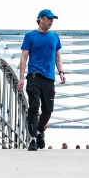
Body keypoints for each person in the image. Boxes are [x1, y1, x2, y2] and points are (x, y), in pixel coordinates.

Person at [18, 9, 66, 151]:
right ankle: (32, 139)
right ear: (40, 19)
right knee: (33, 107)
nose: (51, 21)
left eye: (53, 19)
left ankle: (39, 132)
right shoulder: (30, 36)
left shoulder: (55, 37)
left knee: (48, 110)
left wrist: (61, 72)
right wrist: (21, 78)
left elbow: (58, 57)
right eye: (49, 18)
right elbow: (24, 57)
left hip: (49, 79)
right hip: (33, 76)